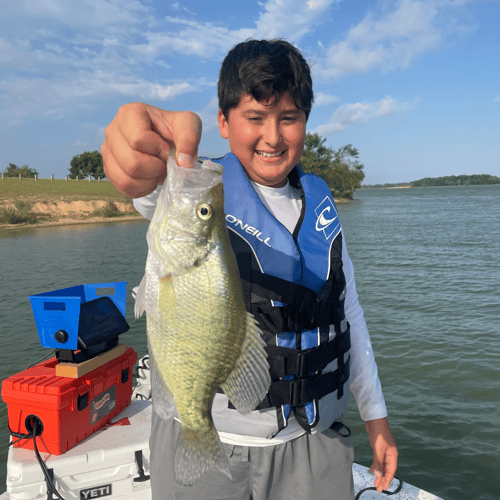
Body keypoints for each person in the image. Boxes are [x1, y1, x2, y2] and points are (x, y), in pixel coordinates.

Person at [101, 39, 398, 500]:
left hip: (311, 448)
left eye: (290, 118)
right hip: (203, 439)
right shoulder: (196, 189)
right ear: (223, 121)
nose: (273, 137)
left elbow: (349, 315)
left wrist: (376, 419)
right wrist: (139, 142)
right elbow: (146, 182)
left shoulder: (319, 209)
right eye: (255, 118)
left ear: (306, 122)